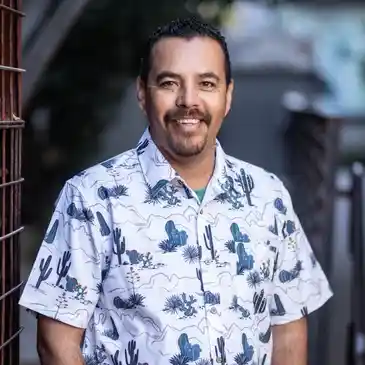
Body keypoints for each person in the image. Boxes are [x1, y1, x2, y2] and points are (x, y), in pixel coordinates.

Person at [19, 17, 333, 365]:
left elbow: (288, 331)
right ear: (143, 93)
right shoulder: (91, 197)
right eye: (169, 83)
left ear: (227, 96)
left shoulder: (269, 197)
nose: (188, 101)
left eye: (207, 84)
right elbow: (56, 340)